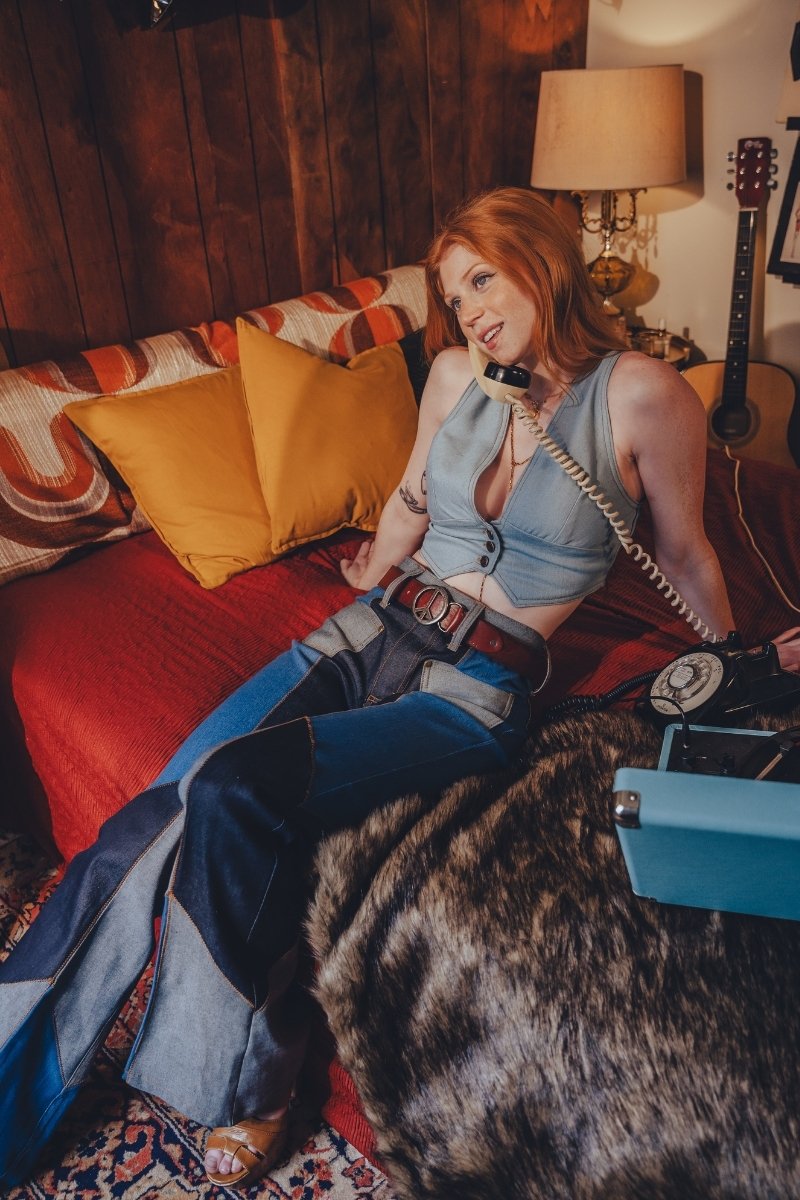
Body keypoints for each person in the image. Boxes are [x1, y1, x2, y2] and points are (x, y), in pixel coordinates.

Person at [1, 187, 798, 1192]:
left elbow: (681, 551)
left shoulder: (641, 393)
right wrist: (362, 567)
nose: (466, 311)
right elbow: (414, 500)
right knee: (147, 816)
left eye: (481, 280)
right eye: (454, 296)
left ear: (539, 264)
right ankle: (10, 1091)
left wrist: (730, 663)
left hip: (474, 687)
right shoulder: (457, 376)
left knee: (232, 791)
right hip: (367, 629)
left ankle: (257, 1075)